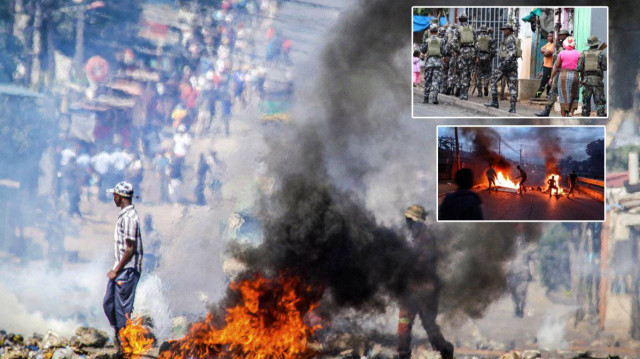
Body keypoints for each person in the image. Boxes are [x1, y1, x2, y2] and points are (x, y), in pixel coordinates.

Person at [398, 205, 454, 359]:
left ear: (417, 222)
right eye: (407, 220)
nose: (407, 223)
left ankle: (445, 351)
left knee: (424, 324)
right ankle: (404, 354)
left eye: (410, 220)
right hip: (416, 288)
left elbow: (423, 262)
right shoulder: (416, 237)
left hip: (423, 289)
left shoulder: (426, 238)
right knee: (410, 323)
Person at [103, 181, 143, 352]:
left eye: (114, 195)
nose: (113, 198)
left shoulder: (129, 218)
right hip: (121, 270)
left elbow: (130, 249)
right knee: (108, 304)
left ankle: (126, 347)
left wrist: (116, 270)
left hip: (126, 271)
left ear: (119, 197)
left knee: (122, 313)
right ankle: (121, 338)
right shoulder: (124, 216)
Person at [484, 21, 519, 113]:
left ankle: (495, 102)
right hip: (512, 65)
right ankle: (512, 107)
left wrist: (504, 65)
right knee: (512, 86)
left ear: (510, 30)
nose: (504, 31)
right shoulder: (510, 38)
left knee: (493, 80)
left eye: (505, 30)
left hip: (507, 65)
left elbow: (511, 53)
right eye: (503, 30)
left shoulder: (510, 39)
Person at [535, 29, 569, 117]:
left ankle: (567, 112)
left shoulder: (569, 45)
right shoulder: (557, 45)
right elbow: (549, 54)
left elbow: (552, 55)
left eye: (562, 35)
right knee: (553, 91)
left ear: (566, 36)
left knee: (566, 92)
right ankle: (546, 111)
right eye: (560, 35)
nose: (560, 37)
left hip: (565, 71)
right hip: (557, 70)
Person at [548, 37, 581, 116]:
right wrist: (582, 78)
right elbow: (581, 68)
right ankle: (571, 112)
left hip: (564, 75)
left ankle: (564, 116)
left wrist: (551, 78)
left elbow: (556, 66)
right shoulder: (579, 53)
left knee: (563, 96)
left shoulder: (561, 53)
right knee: (574, 95)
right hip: (575, 75)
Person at [507, 225, 534, 318]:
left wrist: (531, 273)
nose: (519, 242)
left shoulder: (527, 249)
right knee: (513, 292)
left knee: (523, 293)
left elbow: (532, 261)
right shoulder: (511, 249)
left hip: (523, 273)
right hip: (513, 272)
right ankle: (517, 307)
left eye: (521, 240)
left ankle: (521, 308)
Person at [576, 35, 607, 117]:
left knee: (586, 103)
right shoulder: (601, 54)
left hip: (586, 81)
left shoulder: (583, 54)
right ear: (597, 44)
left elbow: (578, 68)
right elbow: (605, 67)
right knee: (600, 103)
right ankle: (601, 119)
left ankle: (585, 120)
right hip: (597, 81)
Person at [452, 13, 476, 100]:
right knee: (469, 73)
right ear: (467, 19)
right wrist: (476, 54)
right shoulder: (472, 28)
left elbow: (454, 43)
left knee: (463, 73)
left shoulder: (458, 29)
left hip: (463, 52)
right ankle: (465, 92)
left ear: (460, 20)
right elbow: (476, 42)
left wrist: (457, 51)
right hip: (472, 52)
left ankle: (464, 94)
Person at [420, 25, 446, 104]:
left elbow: (423, 50)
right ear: (437, 31)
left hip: (429, 63)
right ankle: (434, 97)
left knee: (428, 80)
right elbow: (444, 52)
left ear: (430, 31)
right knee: (436, 80)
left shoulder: (427, 40)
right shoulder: (441, 41)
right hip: (438, 63)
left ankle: (426, 98)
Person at [474, 25, 495, 98]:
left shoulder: (477, 38)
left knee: (478, 75)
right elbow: (493, 50)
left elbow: (475, 48)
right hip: (487, 58)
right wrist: (491, 57)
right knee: (487, 74)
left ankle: (479, 92)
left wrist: (475, 57)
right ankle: (485, 85)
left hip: (479, 58)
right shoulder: (490, 38)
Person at [535, 32, 554, 98]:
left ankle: (537, 96)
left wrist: (546, 51)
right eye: (548, 36)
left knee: (544, 82)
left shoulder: (554, 45)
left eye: (550, 36)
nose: (548, 37)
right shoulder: (548, 44)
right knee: (547, 82)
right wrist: (546, 51)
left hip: (550, 67)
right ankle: (547, 95)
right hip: (545, 66)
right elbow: (541, 49)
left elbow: (546, 53)